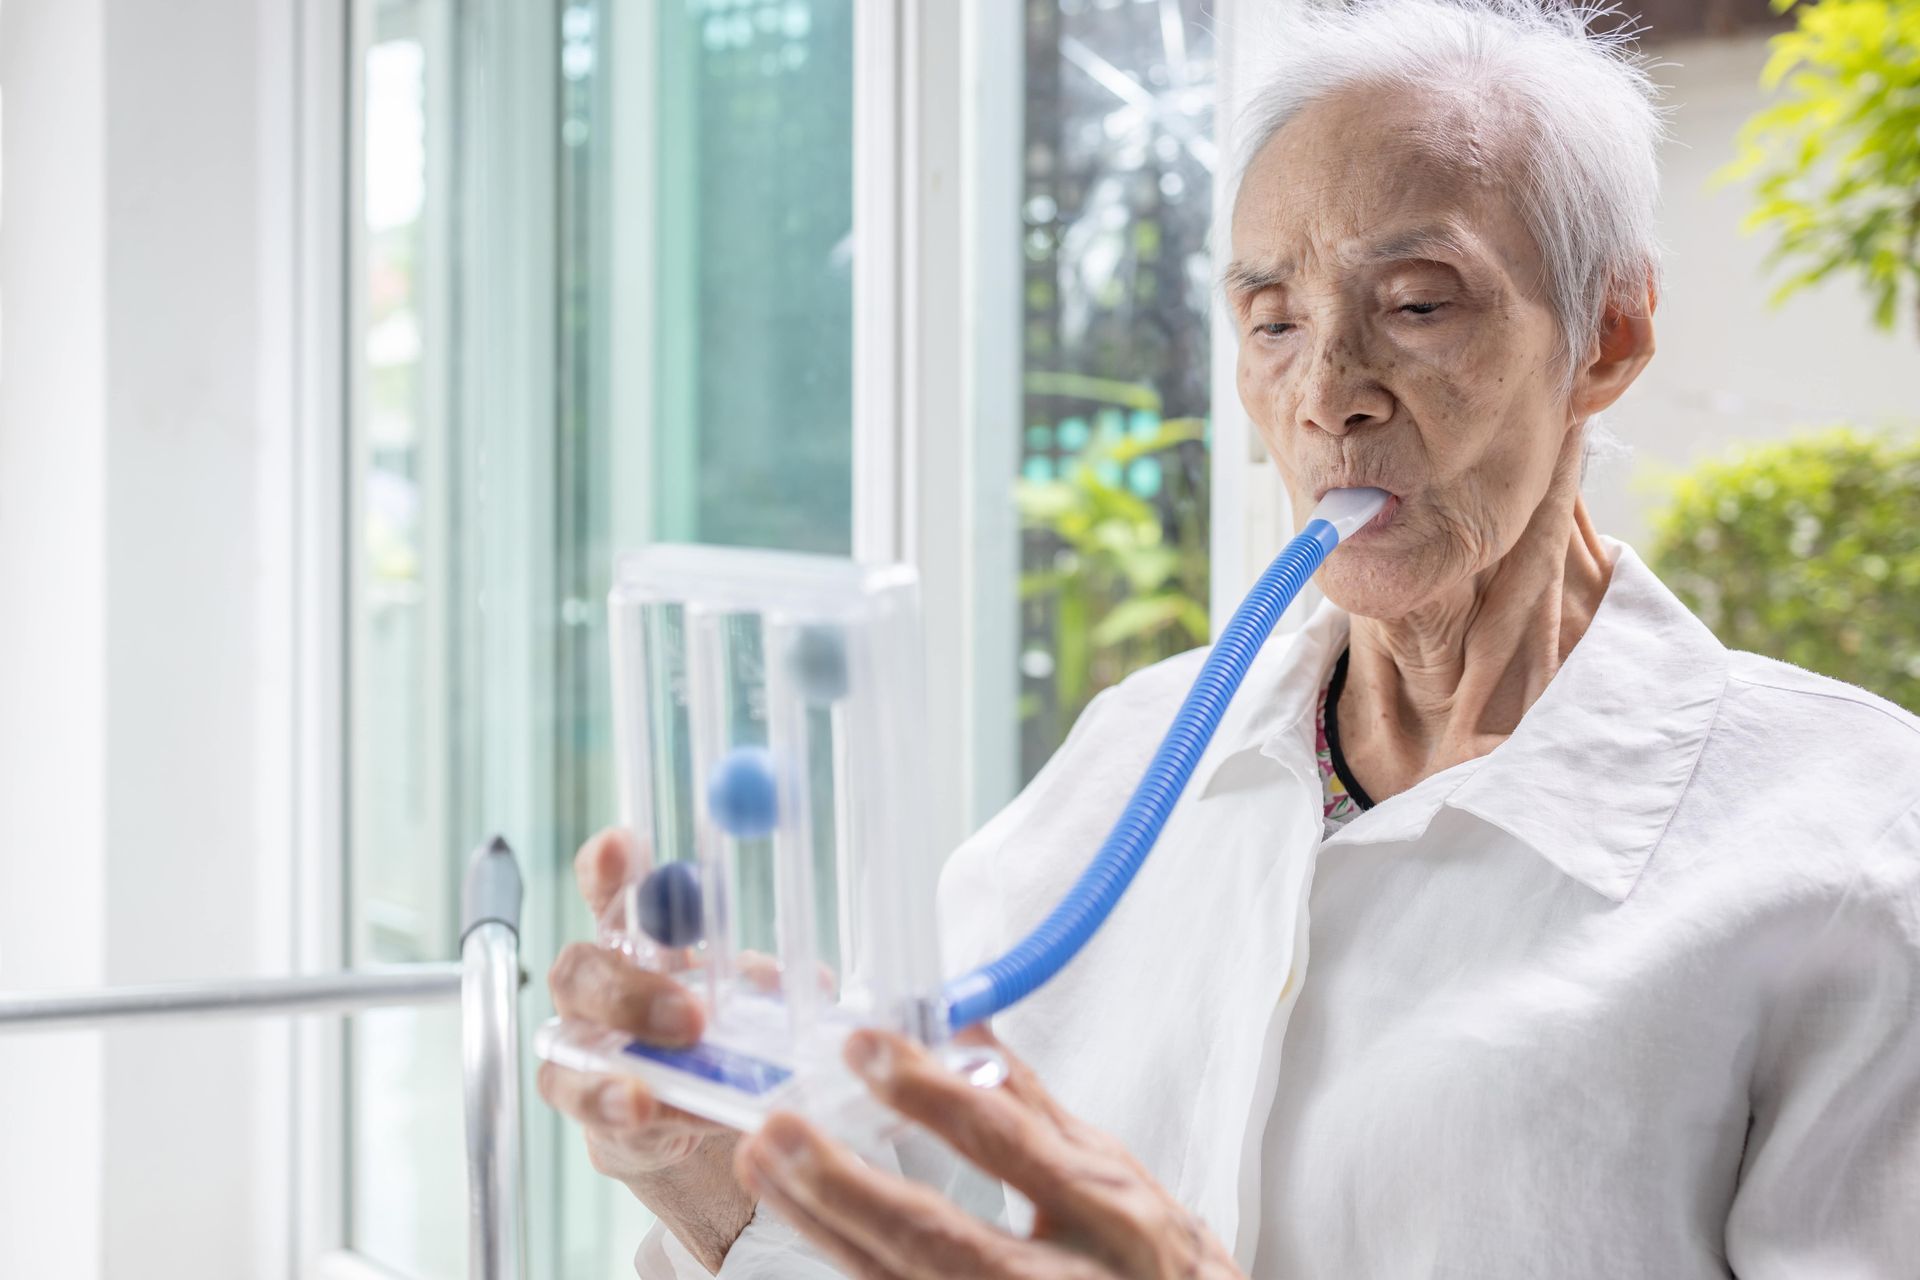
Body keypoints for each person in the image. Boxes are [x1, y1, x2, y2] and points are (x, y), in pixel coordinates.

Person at [540, 2, 1920, 1275]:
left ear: (1609, 334)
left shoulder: (1849, 858)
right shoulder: (1135, 761)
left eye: (1419, 304)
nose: (1328, 396)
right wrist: (733, 1173)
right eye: (1272, 320)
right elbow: (946, 1238)